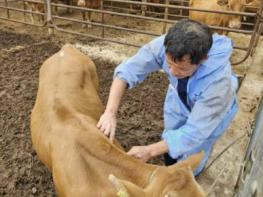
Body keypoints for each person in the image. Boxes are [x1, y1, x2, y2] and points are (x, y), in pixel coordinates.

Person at [97, 19, 238, 175]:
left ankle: (188, 176)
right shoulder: (168, 45)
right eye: (169, 63)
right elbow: (128, 70)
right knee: (171, 136)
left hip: (210, 113)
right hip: (179, 98)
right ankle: (169, 164)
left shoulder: (218, 84)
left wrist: (149, 151)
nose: (172, 72)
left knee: (192, 155)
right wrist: (110, 112)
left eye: (181, 68)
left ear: (203, 59)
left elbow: (195, 132)